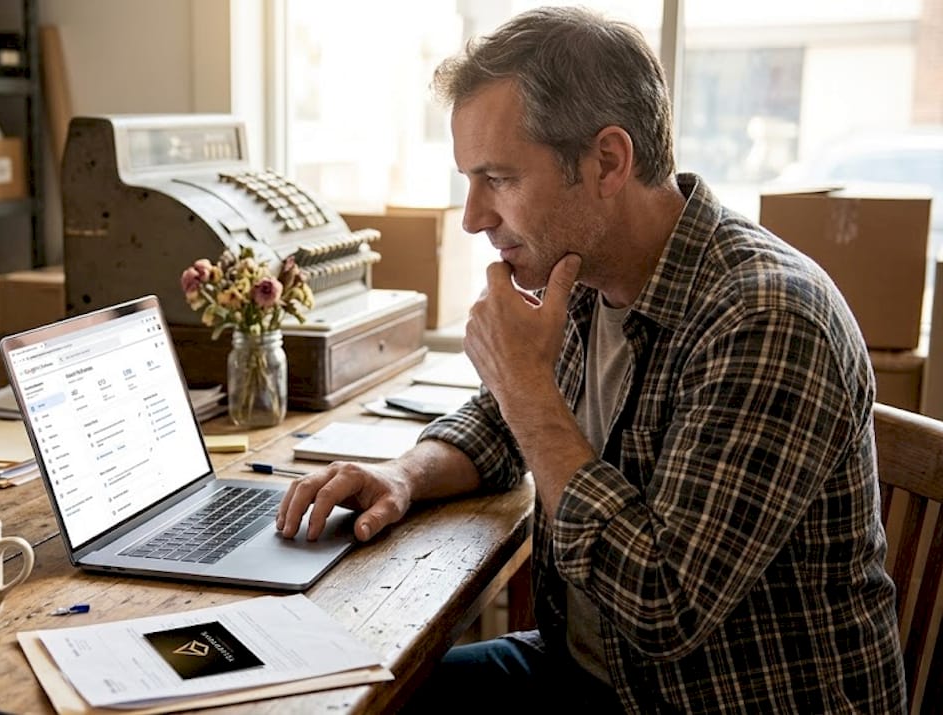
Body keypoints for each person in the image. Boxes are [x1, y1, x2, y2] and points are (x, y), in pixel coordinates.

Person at [275, 6, 906, 713]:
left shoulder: (766, 316)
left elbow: (664, 607)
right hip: (593, 675)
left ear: (608, 160)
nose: (474, 217)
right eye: (469, 180)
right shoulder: (583, 273)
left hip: (709, 698)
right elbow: (499, 421)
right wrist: (401, 474)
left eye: (499, 178)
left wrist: (525, 386)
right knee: (341, 700)